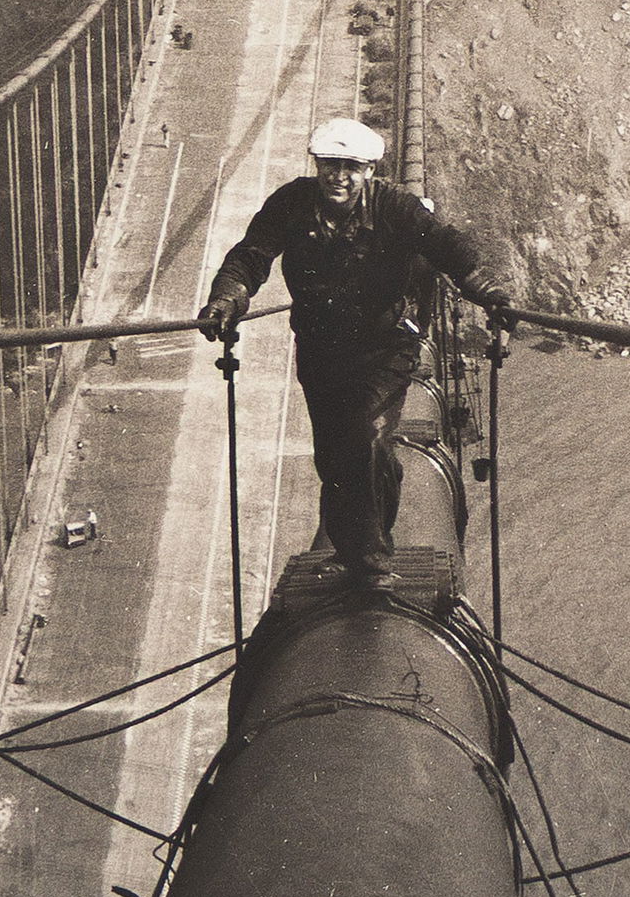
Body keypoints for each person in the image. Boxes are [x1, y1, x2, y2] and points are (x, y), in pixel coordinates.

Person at [197, 118, 512, 590]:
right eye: (329, 165)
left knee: (366, 437)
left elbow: (447, 247)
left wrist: (490, 293)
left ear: (369, 171)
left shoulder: (396, 209)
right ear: (317, 166)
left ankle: (370, 562)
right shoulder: (291, 203)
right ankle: (352, 548)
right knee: (334, 456)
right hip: (321, 350)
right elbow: (252, 255)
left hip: (385, 347)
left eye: (351, 167)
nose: (338, 176)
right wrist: (228, 297)